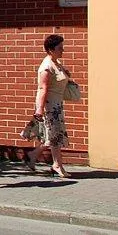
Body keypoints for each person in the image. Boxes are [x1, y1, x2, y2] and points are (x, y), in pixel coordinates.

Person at [26, 33, 73, 177]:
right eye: (60, 48)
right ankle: (56, 164)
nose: (62, 50)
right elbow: (42, 88)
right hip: (49, 105)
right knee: (53, 136)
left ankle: (34, 156)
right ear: (51, 49)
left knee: (54, 135)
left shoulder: (55, 63)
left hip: (56, 104)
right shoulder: (46, 66)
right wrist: (40, 109)